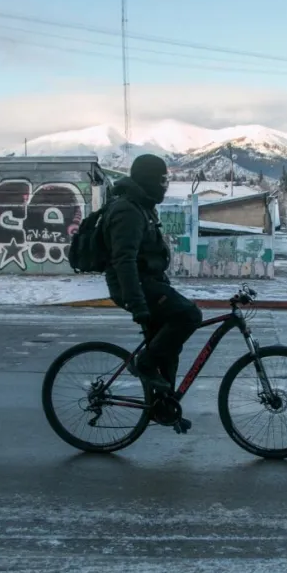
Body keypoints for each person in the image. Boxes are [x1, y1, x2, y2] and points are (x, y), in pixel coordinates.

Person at [103, 154, 203, 409]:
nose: (165, 185)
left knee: (169, 347)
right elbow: (123, 261)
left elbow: (148, 257)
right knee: (190, 315)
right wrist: (138, 305)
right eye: (162, 180)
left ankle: (164, 404)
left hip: (146, 284)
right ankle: (144, 363)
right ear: (149, 180)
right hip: (134, 287)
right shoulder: (128, 210)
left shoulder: (141, 206)